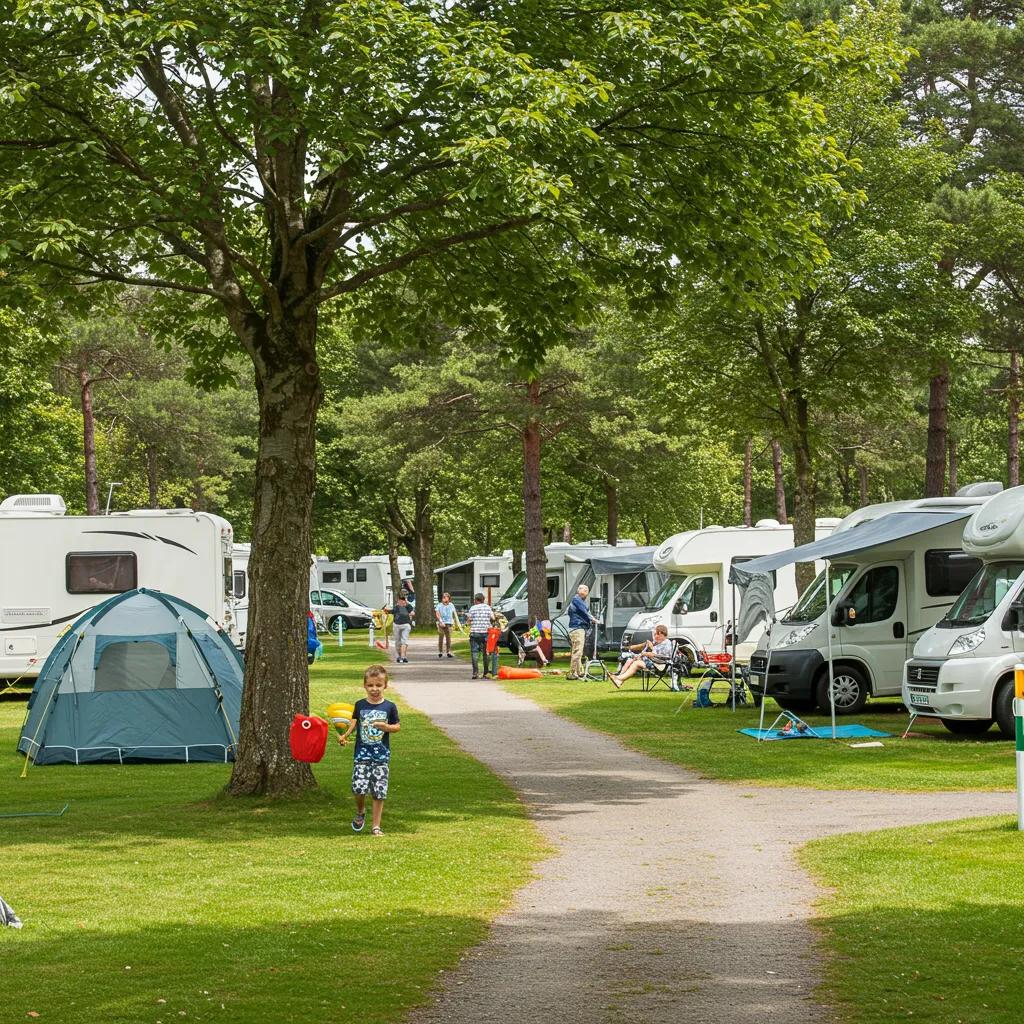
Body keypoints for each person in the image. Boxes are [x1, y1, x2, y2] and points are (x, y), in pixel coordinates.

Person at [336, 664, 400, 837]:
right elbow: (354, 722)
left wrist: (386, 727)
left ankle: (376, 826)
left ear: (385, 685)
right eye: (370, 685)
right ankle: (361, 810)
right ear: (364, 685)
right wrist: (345, 735)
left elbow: (397, 726)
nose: (374, 689)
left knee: (379, 791)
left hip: (381, 755)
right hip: (361, 754)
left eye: (378, 685)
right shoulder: (360, 705)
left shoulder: (389, 706)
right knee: (359, 788)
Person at [610, 624, 674, 689]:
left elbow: (661, 657)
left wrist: (647, 653)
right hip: (651, 662)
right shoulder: (657, 642)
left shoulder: (667, 643)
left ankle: (618, 678)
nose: (654, 636)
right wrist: (640, 655)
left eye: (655, 634)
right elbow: (650, 651)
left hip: (659, 665)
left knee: (636, 663)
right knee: (630, 660)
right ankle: (619, 679)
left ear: (660, 634)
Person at [566, 584, 598, 680]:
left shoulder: (578, 600)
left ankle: (579, 672)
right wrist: (593, 619)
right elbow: (584, 612)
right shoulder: (577, 600)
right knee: (578, 652)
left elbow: (583, 612)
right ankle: (572, 673)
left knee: (577, 651)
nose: (586, 593)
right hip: (577, 628)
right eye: (585, 590)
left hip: (576, 628)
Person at [465, 592, 496, 679]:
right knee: (486, 653)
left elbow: (469, 620)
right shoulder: (488, 607)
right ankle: (486, 672)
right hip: (486, 632)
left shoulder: (473, 608)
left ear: (476, 600)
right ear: (483, 600)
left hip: (475, 632)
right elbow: (493, 618)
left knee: (474, 652)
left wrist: (469, 622)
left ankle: (475, 673)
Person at [387, 592, 415, 663]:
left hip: (406, 625)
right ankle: (398, 656)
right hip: (396, 625)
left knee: (404, 641)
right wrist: (386, 611)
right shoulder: (396, 607)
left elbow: (412, 613)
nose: (402, 602)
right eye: (400, 600)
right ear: (398, 600)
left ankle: (403, 656)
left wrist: (410, 612)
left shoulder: (408, 606)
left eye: (403, 600)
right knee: (397, 642)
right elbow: (392, 611)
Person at [435, 591, 459, 659]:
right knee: (441, 637)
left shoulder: (451, 605)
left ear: (448, 598)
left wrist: (455, 622)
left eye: (445, 597)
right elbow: (437, 613)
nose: (444, 598)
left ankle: (448, 651)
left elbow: (454, 614)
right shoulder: (439, 605)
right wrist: (440, 621)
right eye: (443, 597)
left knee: (448, 638)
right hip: (441, 623)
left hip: (449, 623)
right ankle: (440, 651)